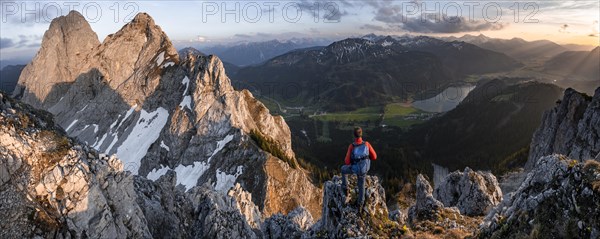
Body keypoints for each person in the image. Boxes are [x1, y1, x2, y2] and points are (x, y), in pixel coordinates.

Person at [341, 127, 377, 208]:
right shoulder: (367, 144)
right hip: (365, 168)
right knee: (361, 184)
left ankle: (345, 188)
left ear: (354, 135)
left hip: (356, 168)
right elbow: (374, 157)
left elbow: (347, 162)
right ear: (361, 134)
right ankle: (361, 203)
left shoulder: (352, 146)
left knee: (343, 169)